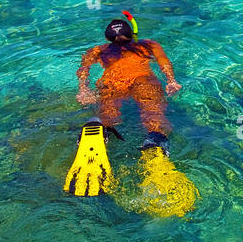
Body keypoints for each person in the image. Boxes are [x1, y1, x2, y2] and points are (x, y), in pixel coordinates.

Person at [65, 12, 191, 206]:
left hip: (113, 82)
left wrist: (84, 90)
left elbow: (83, 69)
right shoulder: (148, 44)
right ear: (132, 34)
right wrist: (171, 81)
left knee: (107, 114)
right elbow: (163, 61)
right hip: (143, 80)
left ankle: (101, 129)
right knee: (153, 115)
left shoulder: (98, 50)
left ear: (108, 38)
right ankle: (155, 143)